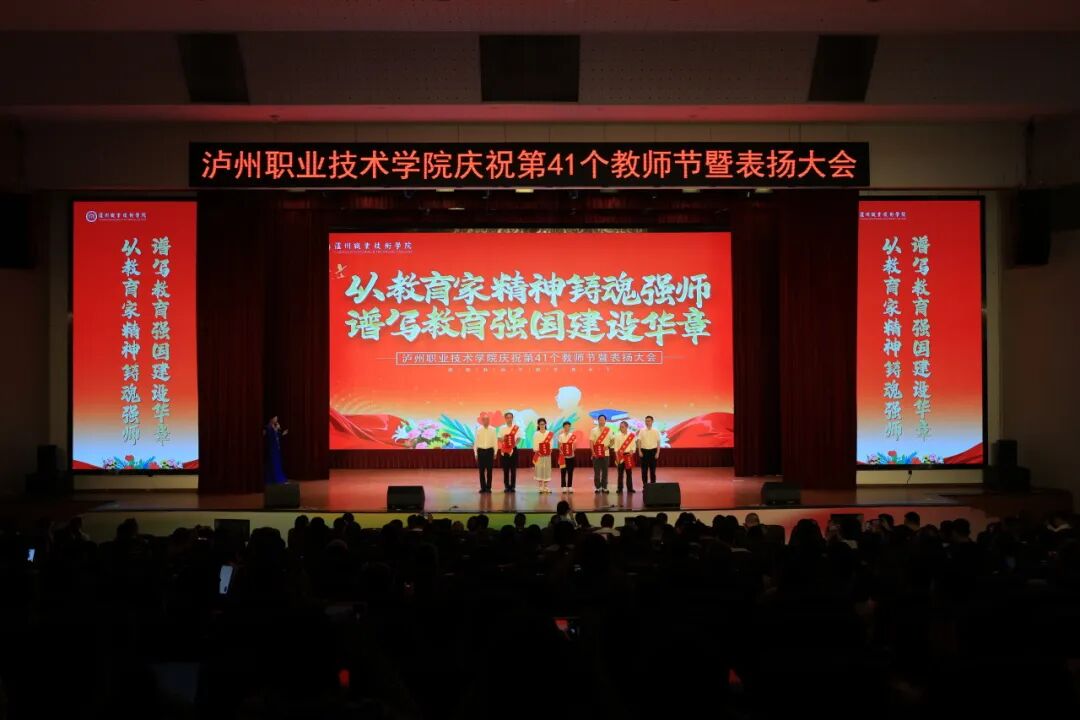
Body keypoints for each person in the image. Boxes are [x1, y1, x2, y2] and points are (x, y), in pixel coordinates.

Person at [590, 414, 615, 494]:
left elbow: (613, 441)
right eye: (600, 420)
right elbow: (591, 442)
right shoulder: (593, 430)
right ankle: (598, 487)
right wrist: (592, 452)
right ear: (598, 421)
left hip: (606, 454)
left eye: (603, 420)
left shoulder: (609, 430)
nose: (601, 421)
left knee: (605, 472)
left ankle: (604, 487)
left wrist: (608, 447)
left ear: (605, 421)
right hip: (596, 454)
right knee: (597, 472)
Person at [473, 412, 498, 493]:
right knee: (481, 471)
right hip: (481, 451)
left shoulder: (493, 429)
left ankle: (488, 488)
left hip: (490, 451)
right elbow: (476, 442)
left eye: (487, 419)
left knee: (489, 471)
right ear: (482, 421)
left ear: (489, 420)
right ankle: (483, 488)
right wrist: (475, 453)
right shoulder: (478, 429)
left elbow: (495, 441)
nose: (486, 421)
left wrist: (495, 452)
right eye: (484, 419)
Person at [497, 411, 520, 493]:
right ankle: (506, 486)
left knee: (513, 469)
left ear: (512, 418)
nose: (509, 419)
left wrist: (513, 446)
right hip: (504, 450)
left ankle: (513, 486)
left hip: (513, 450)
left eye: (510, 417)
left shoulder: (516, 427)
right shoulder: (502, 428)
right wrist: (503, 439)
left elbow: (518, 438)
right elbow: (499, 438)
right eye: (507, 417)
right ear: (505, 419)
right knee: (505, 469)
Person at [613, 420, 637, 493]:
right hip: (620, 455)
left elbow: (633, 446)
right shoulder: (617, 435)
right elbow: (616, 447)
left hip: (628, 456)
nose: (621, 428)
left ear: (627, 427)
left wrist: (632, 451)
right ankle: (620, 489)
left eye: (622, 427)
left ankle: (630, 488)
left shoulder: (631, 435)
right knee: (620, 474)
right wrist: (617, 457)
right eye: (620, 427)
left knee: (629, 473)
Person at [532, 418, 555, 494]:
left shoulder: (549, 433)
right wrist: (537, 451)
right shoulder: (536, 434)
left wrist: (549, 450)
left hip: (547, 454)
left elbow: (551, 444)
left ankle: (545, 486)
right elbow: (535, 444)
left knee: (546, 469)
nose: (542, 425)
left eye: (543, 424)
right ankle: (540, 487)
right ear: (538, 425)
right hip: (539, 454)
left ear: (545, 424)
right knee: (539, 469)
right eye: (540, 424)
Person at [263, 415, 288, 485]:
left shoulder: (275, 427)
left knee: (278, 463)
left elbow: (277, 437)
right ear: (271, 419)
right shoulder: (268, 427)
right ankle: (274, 479)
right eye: (275, 418)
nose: (276, 419)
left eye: (277, 418)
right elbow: (269, 437)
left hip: (276, 448)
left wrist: (282, 433)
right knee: (273, 463)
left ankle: (279, 478)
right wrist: (276, 429)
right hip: (271, 449)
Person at [638, 415, 661, 486]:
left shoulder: (656, 431)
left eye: (649, 421)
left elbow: (658, 442)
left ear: (652, 421)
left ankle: (653, 486)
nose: (647, 422)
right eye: (646, 421)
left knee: (652, 470)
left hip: (653, 452)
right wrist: (639, 451)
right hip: (644, 452)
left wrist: (657, 453)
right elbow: (639, 441)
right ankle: (645, 486)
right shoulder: (642, 431)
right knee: (644, 471)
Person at [557, 421, 578, 493]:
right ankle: (563, 486)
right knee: (563, 472)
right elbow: (559, 445)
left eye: (568, 426)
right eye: (565, 426)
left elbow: (574, 446)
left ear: (570, 427)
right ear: (563, 427)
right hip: (563, 457)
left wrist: (571, 451)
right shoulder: (561, 436)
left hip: (571, 456)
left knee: (570, 471)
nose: (566, 428)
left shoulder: (572, 436)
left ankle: (570, 486)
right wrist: (562, 452)